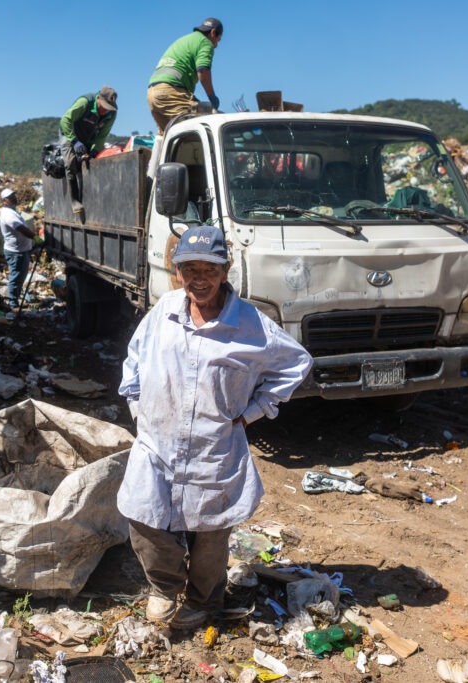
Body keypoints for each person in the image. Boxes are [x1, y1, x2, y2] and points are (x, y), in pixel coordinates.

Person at [116, 225, 313, 631]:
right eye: (190, 269)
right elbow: (134, 359)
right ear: (178, 273)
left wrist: (256, 410)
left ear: (225, 272)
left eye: (210, 269)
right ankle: (165, 587)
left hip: (214, 445)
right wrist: (139, 406)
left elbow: (296, 364)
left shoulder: (250, 325)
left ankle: (204, 602)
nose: (199, 279)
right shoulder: (164, 311)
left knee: (211, 534)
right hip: (157, 441)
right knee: (143, 516)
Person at [147, 17, 223, 135]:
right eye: (218, 40)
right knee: (196, 131)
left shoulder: (186, 39)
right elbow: (203, 71)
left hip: (153, 92)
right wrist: (212, 97)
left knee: (166, 137)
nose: (216, 45)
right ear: (213, 33)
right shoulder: (205, 42)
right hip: (171, 92)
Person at [59, 86, 118, 214]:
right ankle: (74, 199)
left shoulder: (111, 114)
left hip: (88, 139)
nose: (105, 111)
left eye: (108, 109)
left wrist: (94, 151)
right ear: (98, 98)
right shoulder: (85, 102)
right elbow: (65, 120)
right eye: (103, 107)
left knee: (93, 161)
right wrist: (74, 141)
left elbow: (102, 136)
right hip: (70, 135)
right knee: (71, 162)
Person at [0, 188, 37, 308]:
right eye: (11, 197)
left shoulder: (12, 211)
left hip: (20, 250)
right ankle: (13, 303)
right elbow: (21, 229)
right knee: (16, 277)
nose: (14, 198)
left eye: (14, 195)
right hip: (16, 252)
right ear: (4, 201)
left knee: (20, 276)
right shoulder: (7, 214)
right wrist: (36, 238)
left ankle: (15, 299)